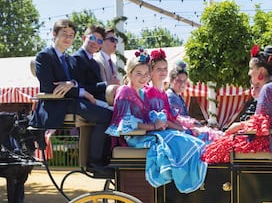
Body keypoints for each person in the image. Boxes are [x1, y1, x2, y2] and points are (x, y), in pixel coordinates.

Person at [106, 49, 207, 193]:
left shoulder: (140, 92)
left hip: (147, 133)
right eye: (138, 73)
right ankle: (184, 178)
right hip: (133, 137)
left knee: (187, 139)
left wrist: (158, 123)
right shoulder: (125, 92)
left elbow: (150, 117)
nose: (143, 78)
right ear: (129, 73)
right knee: (181, 141)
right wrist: (153, 125)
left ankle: (189, 174)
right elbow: (125, 125)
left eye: (146, 74)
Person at [29, 19, 113, 175]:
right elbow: (50, 87)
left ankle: (105, 157)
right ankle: (93, 162)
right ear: (54, 34)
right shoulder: (44, 57)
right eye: (64, 34)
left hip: (72, 101)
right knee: (105, 116)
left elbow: (78, 82)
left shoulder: (69, 59)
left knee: (112, 112)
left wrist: (72, 83)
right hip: (57, 104)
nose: (67, 38)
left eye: (71, 35)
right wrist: (79, 91)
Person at [202, 45, 272, 164]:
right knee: (218, 144)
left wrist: (238, 125)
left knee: (215, 150)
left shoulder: (268, 89)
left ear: (261, 71)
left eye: (251, 68)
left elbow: (261, 124)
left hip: (271, 142)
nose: (249, 73)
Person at [73, 24, 108, 102]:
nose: (95, 43)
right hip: (86, 101)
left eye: (99, 41)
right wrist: (106, 84)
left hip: (99, 100)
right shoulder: (77, 58)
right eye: (92, 38)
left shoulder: (95, 63)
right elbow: (80, 88)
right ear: (84, 38)